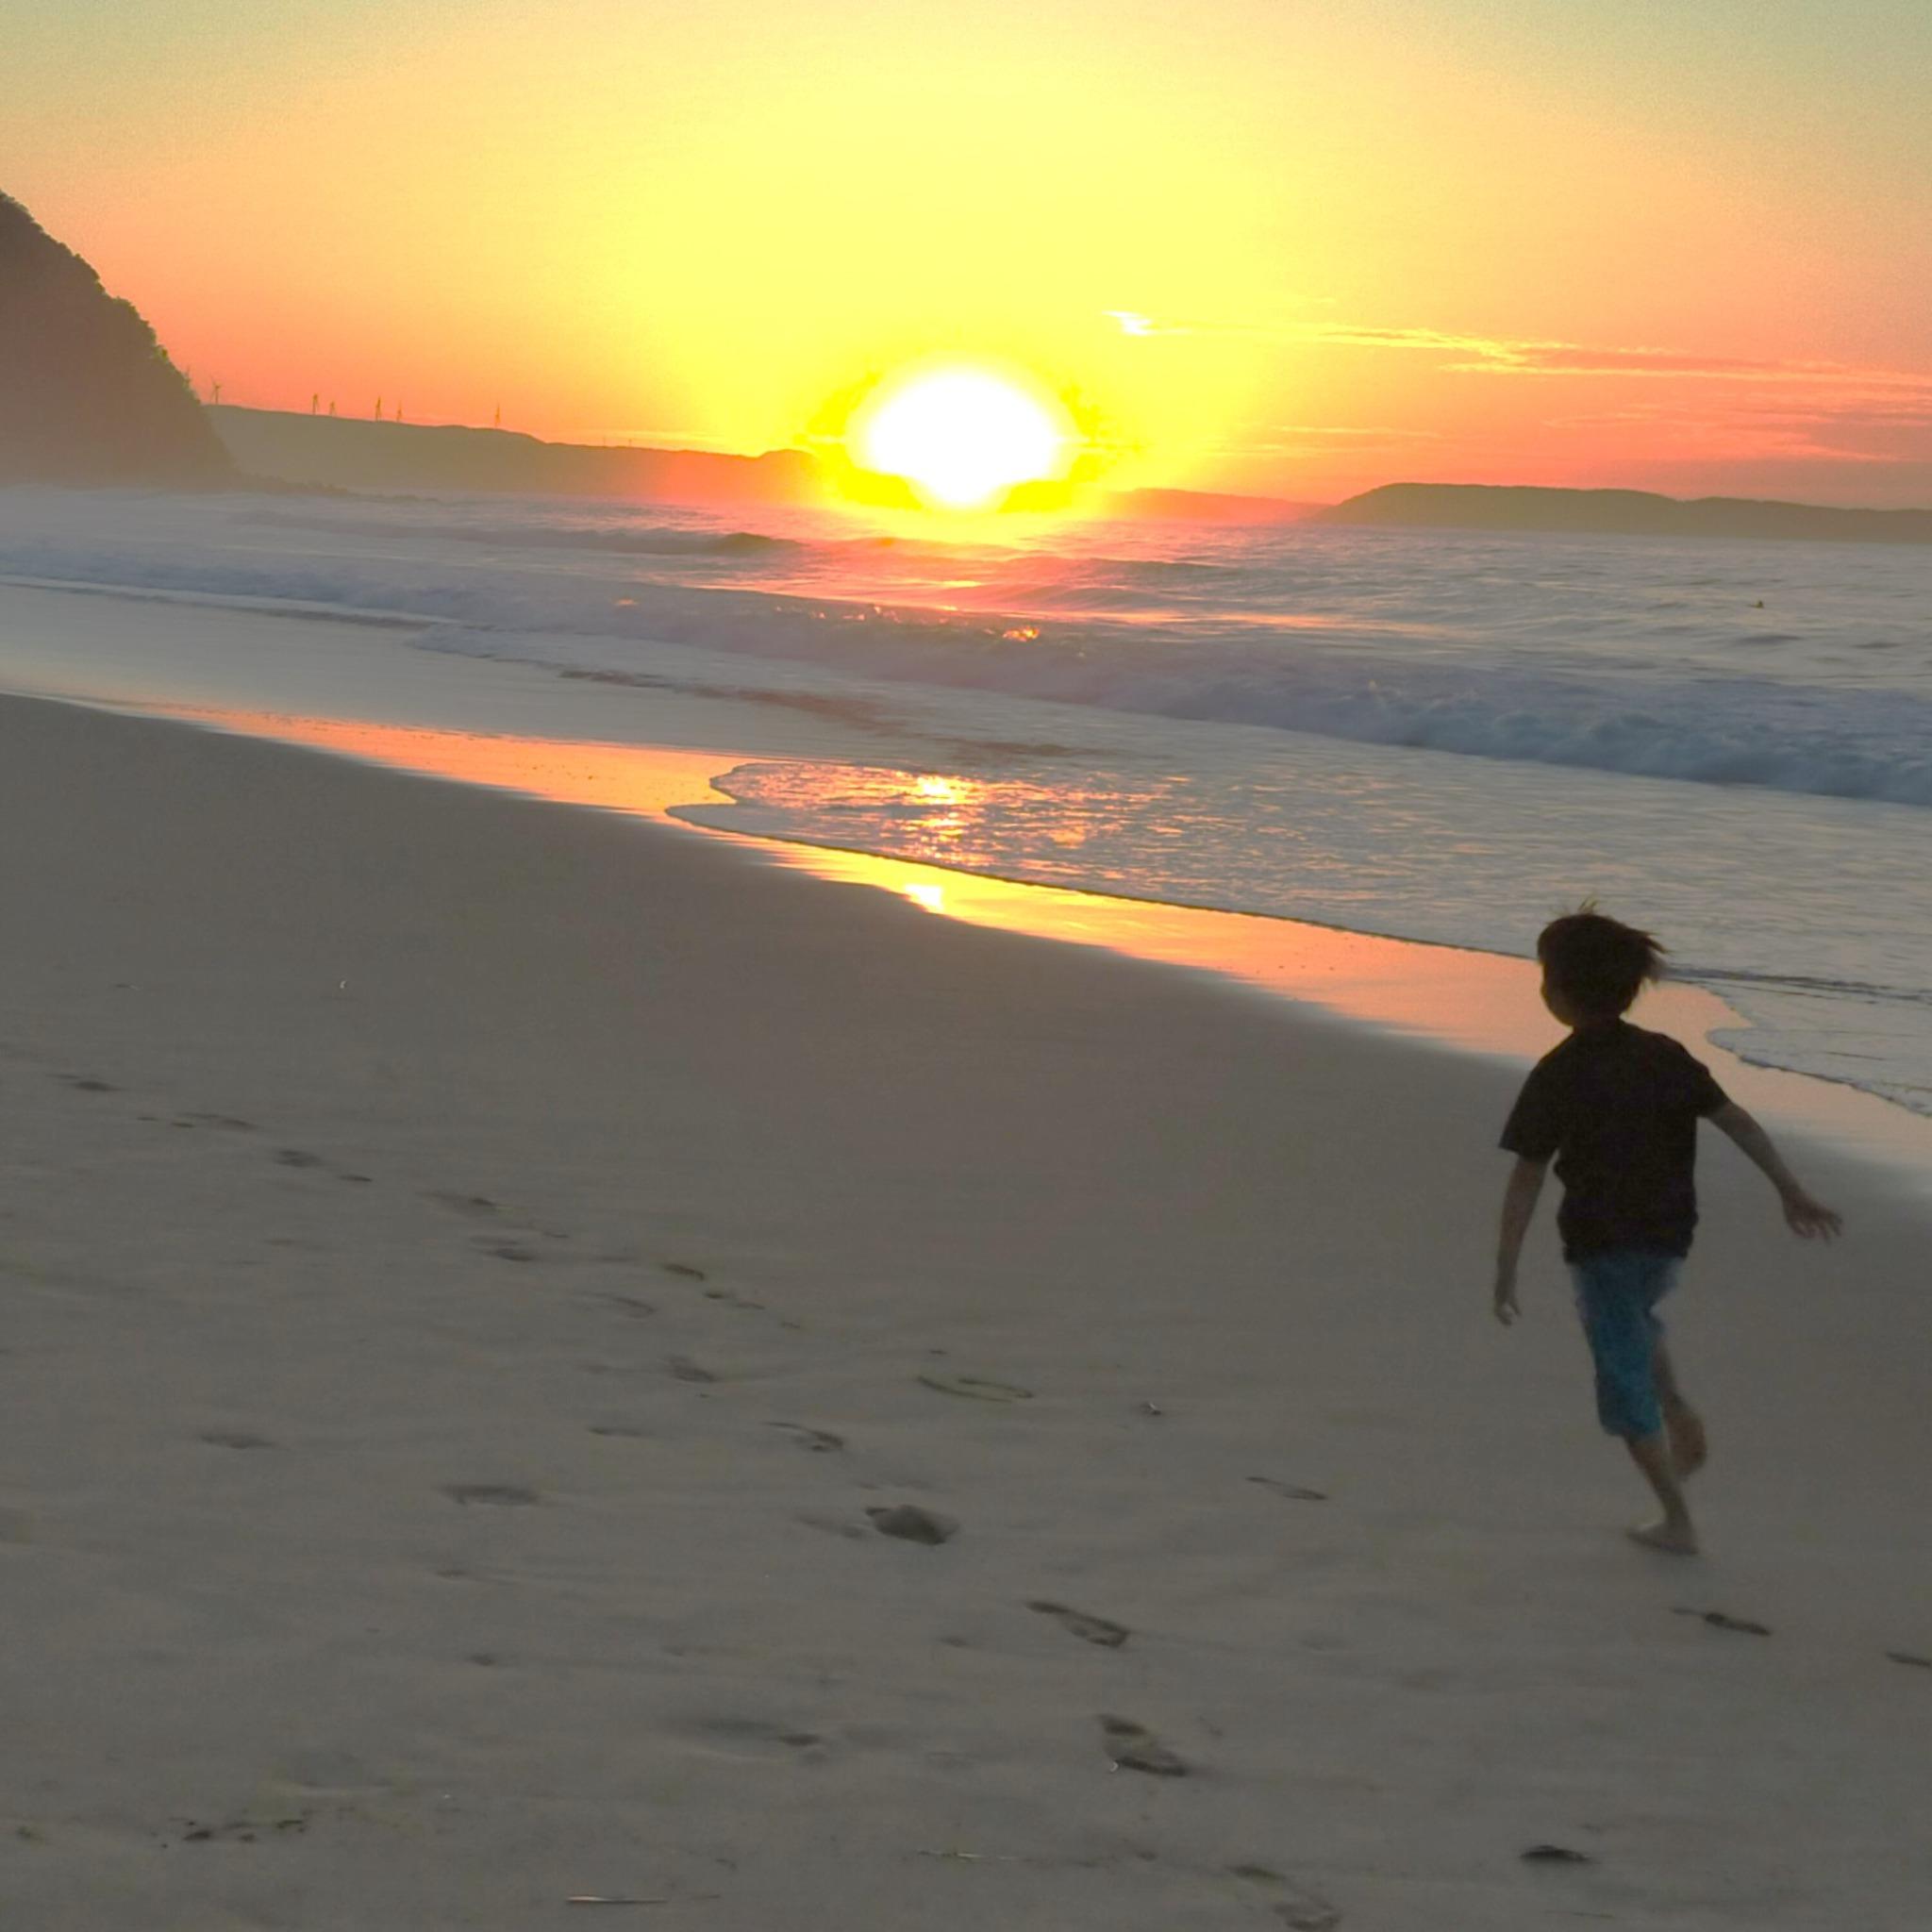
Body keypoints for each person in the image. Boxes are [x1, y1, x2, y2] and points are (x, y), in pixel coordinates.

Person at [1491, 908, 1841, 1555]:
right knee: (1636, 1319)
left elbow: (1527, 1179)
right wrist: (1790, 1190)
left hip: (1600, 1245)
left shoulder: (1558, 1073)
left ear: (1558, 991)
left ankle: (1676, 1518)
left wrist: (1505, 1266)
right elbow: (1737, 1122)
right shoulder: (1665, 1056)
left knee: (1622, 1380)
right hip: (1669, 1238)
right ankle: (1678, 1409)